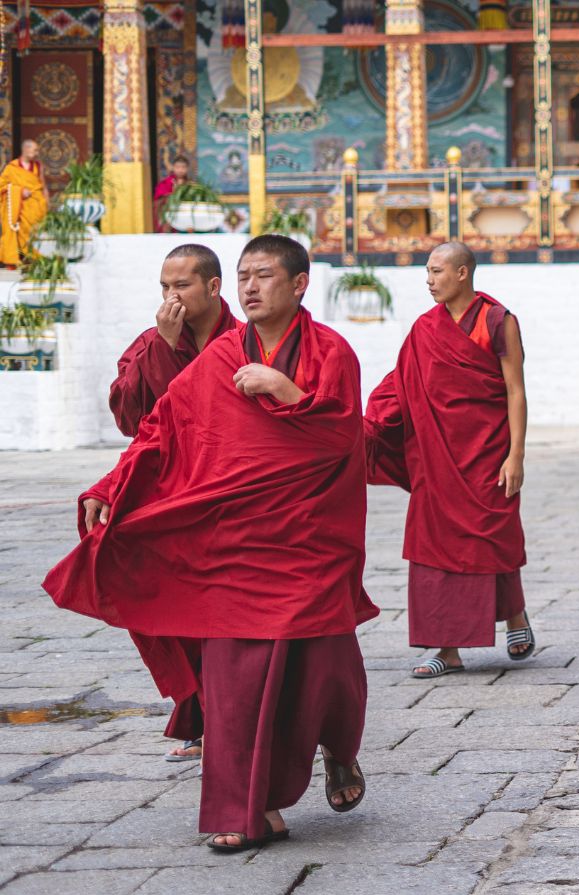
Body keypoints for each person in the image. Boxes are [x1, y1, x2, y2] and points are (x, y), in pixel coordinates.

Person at [43, 234, 376, 852]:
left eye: (264, 276)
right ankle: (249, 809)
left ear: (300, 284)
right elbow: (163, 425)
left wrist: (285, 391)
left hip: (309, 538)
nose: (250, 287)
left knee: (324, 670)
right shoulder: (222, 354)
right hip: (236, 544)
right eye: (244, 275)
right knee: (235, 674)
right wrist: (110, 484)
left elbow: (342, 437)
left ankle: (339, 750)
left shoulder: (332, 351)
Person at [364, 241, 531, 679]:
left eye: (437, 271)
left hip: (487, 450)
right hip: (436, 456)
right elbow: (402, 381)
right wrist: (372, 422)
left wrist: (516, 455)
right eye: (427, 271)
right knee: (437, 546)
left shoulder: (499, 321)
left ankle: (515, 616)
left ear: (462, 273)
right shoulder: (425, 329)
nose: (429, 279)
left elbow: (515, 390)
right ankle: (447, 649)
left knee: (491, 533)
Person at [107, 243, 244, 763]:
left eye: (182, 286)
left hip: (228, 490)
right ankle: (196, 712)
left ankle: (228, 719)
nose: (171, 297)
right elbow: (131, 416)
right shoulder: (150, 343)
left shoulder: (245, 338)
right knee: (167, 608)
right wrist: (163, 349)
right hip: (168, 492)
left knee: (224, 610)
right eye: (164, 287)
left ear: (212, 287)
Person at [0, 139, 47, 268]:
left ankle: (32, 260)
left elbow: (43, 186)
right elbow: (1, 186)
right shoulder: (12, 167)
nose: (37, 153)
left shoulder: (38, 166)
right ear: (26, 149)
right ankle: (16, 260)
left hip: (35, 206)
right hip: (18, 207)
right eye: (35, 150)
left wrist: (45, 203)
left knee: (33, 233)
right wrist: (19, 191)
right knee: (16, 232)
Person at [153, 156, 192, 232]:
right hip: (168, 218)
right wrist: (173, 193)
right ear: (173, 168)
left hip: (185, 219)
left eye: (183, 167)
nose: (180, 170)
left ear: (187, 169)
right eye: (177, 167)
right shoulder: (165, 184)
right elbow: (157, 202)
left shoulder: (191, 185)